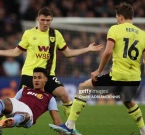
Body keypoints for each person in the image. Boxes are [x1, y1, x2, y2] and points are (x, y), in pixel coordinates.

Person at [0, 7, 103, 135]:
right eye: (43, 20)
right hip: (29, 74)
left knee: (64, 95)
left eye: (48, 20)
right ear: (38, 19)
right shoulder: (29, 34)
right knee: (18, 105)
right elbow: (16, 52)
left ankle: (70, 127)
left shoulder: (55, 35)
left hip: (48, 75)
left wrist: (87, 49)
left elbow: (68, 53)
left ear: (51, 20)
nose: (45, 23)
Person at [49, 2, 145, 135]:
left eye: (117, 17)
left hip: (117, 77)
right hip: (135, 79)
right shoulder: (142, 34)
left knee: (83, 87)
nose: (117, 20)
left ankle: (69, 126)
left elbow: (107, 52)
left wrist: (98, 71)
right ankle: (143, 131)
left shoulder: (115, 29)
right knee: (127, 101)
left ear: (121, 17)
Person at [0, 67, 63, 135]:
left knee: (24, 114)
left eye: (39, 77)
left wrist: (65, 133)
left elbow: (56, 120)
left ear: (45, 79)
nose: (36, 80)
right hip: (18, 108)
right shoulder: (24, 90)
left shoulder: (49, 97)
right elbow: (10, 107)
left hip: (29, 116)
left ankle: (12, 121)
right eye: (34, 78)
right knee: (4, 102)